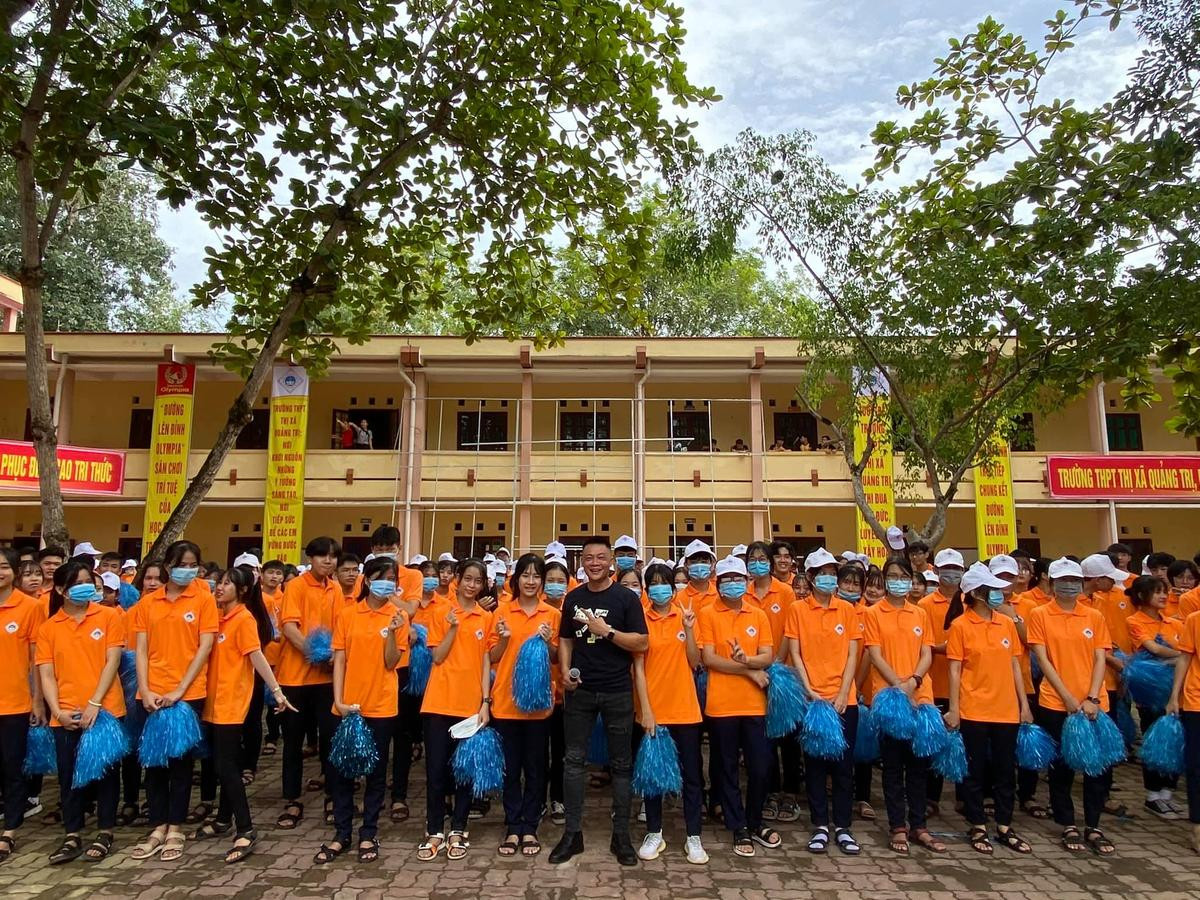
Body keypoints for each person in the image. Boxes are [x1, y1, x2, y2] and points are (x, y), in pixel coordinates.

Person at [549, 536, 648, 867]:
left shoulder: (625, 598)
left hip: (618, 690)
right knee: (573, 761)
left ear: (611, 562)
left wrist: (607, 631)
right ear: (582, 561)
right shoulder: (573, 598)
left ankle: (621, 836)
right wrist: (564, 671)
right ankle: (572, 835)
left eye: (601, 557)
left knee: (621, 764)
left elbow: (642, 642)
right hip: (581, 692)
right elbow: (564, 638)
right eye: (588, 557)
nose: (594, 562)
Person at [196, 567, 293, 863]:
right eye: (220, 582)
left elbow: (256, 656)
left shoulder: (243, 619)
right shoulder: (215, 618)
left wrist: (276, 691)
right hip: (211, 702)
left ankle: (246, 829)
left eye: (227, 584)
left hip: (231, 703)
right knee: (219, 762)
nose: (220, 587)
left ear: (242, 591)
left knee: (226, 766)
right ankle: (224, 819)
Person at [129, 540, 218, 863]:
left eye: (194, 563)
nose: (189, 569)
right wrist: (146, 688)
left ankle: (176, 826)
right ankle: (157, 824)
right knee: (153, 763)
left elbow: (204, 646)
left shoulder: (204, 599)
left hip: (187, 696)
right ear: (167, 566)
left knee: (181, 764)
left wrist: (180, 690)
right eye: (183, 563)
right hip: (150, 695)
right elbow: (140, 649)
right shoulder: (148, 603)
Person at [315, 559, 406, 865]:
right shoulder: (348, 614)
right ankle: (342, 833)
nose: (387, 584)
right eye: (382, 579)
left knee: (376, 774)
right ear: (367, 581)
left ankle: (369, 832)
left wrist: (392, 632)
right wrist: (339, 700)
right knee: (341, 772)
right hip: (348, 705)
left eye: (392, 579)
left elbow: (392, 662)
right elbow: (339, 659)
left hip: (381, 704)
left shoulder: (398, 615)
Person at [35, 561, 124, 864]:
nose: (84, 587)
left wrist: (95, 703)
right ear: (60, 589)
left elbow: (112, 662)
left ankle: (105, 831)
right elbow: (46, 674)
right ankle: (72, 833)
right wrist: (57, 711)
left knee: (107, 775)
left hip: (106, 710)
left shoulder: (109, 617)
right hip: (65, 713)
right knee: (69, 775)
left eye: (88, 581)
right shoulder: (49, 628)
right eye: (76, 583)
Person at [943, 563, 1033, 855]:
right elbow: (955, 671)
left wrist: (1023, 705)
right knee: (974, 769)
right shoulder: (960, 626)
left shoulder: (1006, 623)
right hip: (974, 709)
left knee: (1006, 770)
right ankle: (977, 823)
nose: (999, 592)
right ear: (978, 594)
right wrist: (954, 709)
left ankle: (1005, 825)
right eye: (992, 588)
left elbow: (1015, 666)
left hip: (1006, 709)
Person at [1027, 557, 1115, 855]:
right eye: (1062, 580)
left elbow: (1101, 657)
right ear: (1051, 584)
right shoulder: (1040, 614)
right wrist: (1066, 697)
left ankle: (1094, 824)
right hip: (1055, 701)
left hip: (1094, 704)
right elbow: (1042, 657)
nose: (1068, 585)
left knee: (1096, 767)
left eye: (1074, 581)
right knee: (1062, 766)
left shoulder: (1094, 616)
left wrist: (1091, 697)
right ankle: (1067, 822)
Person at [696, 555, 775, 857]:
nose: (732, 584)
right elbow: (710, 659)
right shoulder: (707, 613)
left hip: (755, 704)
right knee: (725, 767)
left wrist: (749, 661)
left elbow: (767, 655)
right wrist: (749, 670)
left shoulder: (758, 614)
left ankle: (754, 821)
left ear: (746, 582)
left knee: (760, 767)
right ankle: (737, 824)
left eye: (737, 579)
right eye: (726, 579)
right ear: (717, 583)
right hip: (721, 704)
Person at [785, 556, 863, 855]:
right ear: (812, 577)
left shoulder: (847, 609)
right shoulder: (798, 609)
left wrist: (843, 693)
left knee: (843, 767)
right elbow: (796, 653)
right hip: (812, 700)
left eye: (834, 574)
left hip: (845, 701)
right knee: (815, 765)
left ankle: (843, 827)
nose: (829, 579)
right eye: (824, 574)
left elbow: (853, 655)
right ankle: (819, 825)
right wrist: (809, 691)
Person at [864, 556, 940, 855]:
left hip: (920, 696)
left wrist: (914, 681)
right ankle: (898, 826)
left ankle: (919, 825)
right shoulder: (873, 613)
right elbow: (876, 654)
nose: (898, 580)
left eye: (903, 575)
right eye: (892, 576)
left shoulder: (920, 613)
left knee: (919, 766)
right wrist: (899, 684)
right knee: (893, 767)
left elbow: (927, 653)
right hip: (889, 698)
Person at [418, 558, 492, 861]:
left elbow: (488, 661)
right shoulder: (439, 612)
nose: (472, 586)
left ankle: (459, 828)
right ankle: (434, 829)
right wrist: (451, 628)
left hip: (470, 706)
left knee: (464, 772)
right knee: (435, 770)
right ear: (457, 579)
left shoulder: (485, 618)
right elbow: (437, 657)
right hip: (438, 702)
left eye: (478, 581)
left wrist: (485, 702)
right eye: (468, 579)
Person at [632, 562, 706, 863]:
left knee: (692, 776)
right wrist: (646, 711)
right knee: (653, 777)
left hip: (685, 709)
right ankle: (654, 832)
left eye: (666, 582)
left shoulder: (686, 615)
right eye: (655, 583)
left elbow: (695, 661)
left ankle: (694, 837)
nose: (661, 588)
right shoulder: (640, 619)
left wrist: (688, 629)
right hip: (653, 710)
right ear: (648, 589)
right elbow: (637, 668)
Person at [488, 554, 560, 858]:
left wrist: (547, 643)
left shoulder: (552, 614)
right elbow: (492, 655)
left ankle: (530, 825)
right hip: (505, 702)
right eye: (525, 575)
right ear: (515, 579)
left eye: (536, 576)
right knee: (510, 768)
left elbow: (557, 657)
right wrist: (504, 639)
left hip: (539, 704)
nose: (531, 581)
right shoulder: (503, 611)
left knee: (535, 768)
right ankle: (513, 824)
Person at [275, 537, 345, 832]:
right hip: (295, 677)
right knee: (292, 742)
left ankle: (333, 795)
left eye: (332, 557)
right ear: (311, 558)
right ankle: (292, 799)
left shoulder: (336, 587)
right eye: (322, 557)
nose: (328, 562)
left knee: (330, 739)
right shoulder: (296, 586)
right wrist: (313, 653)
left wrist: (335, 656)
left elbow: (342, 626)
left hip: (327, 678)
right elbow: (289, 626)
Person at [746, 540, 800, 824]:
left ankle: (790, 793)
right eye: (751, 559)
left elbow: (792, 633)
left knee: (788, 738)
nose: (757, 563)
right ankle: (771, 791)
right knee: (763, 739)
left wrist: (776, 665)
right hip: (752, 675)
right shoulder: (743, 593)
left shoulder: (786, 592)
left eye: (761, 558)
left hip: (783, 675)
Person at [1125, 575, 1184, 817]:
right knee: (1154, 740)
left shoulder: (1174, 623)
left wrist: (1180, 656)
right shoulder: (1134, 621)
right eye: (1157, 591)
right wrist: (1184, 655)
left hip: (1178, 691)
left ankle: (1167, 794)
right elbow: (1153, 649)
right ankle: (1153, 795)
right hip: (1151, 693)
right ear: (1142, 596)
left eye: (1165, 592)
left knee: (1176, 740)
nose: (1163, 596)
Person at [0, 547, 45, 863]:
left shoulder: (29, 607)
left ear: (14, 571)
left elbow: (36, 660)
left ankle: (10, 830)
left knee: (12, 769)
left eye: (3, 566)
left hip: (15, 703)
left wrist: (38, 701)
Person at [918, 547, 964, 817]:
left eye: (956, 569)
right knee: (933, 742)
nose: (951, 574)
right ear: (936, 570)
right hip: (934, 682)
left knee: (962, 744)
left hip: (965, 686)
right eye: (946, 569)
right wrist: (939, 647)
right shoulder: (924, 605)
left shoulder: (970, 601)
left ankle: (964, 795)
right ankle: (931, 797)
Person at [1166, 595, 1200, 853]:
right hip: (1196, 701)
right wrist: (1174, 696)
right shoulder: (1194, 620)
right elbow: (1185, 658)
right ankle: (1197, 826)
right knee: (1197, 765)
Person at [542, 556, 571, 825]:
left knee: (561, 750)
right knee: (539, 751)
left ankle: (558, 798)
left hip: (564, 694)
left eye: (560, 581)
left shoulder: (572, 610)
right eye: (549, 580)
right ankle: (539, 798)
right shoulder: (535, 611)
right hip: (537, 695)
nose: (555, 585)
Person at [679, 540, 718, 611]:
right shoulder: (677, 599)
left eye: (704, 562)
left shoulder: (721, 595)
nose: (699, 566)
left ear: (712, 565)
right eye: (694, 562)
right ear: (685, 565)